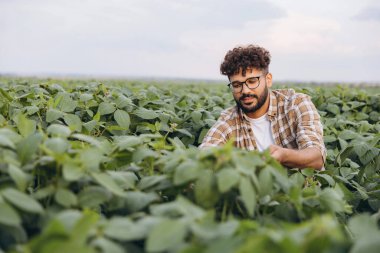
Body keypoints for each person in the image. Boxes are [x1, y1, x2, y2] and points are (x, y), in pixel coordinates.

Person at [200, 45, 326, 170]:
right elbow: (206, 153)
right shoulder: (228, 121)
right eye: (237, 85)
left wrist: (283, 155)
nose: (245, 90)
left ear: (268, 79)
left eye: (252, 81)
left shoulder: (296, 104)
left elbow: (316, 158)